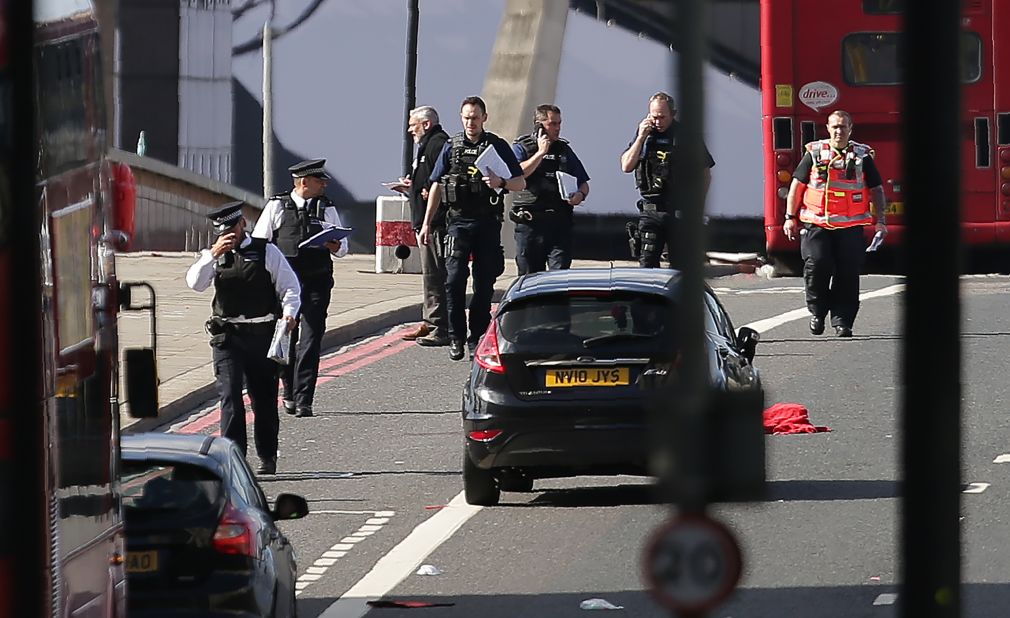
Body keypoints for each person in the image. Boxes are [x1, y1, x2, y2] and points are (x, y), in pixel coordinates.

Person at [186, 202, 301, 475]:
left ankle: (267, 456)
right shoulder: (212, 257)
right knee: (230, 398)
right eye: (223, 231)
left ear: (243, 225)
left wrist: (289, 315)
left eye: (233, 229)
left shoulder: (266, 251)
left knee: (263, 399)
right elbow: (195, 283)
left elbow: (290, 288)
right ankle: (233, 459)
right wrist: (212, 255)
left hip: (262, 335)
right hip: (228, 336)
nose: (230, 235)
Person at [419, 96, 525, 361]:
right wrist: (426, 224)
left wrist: (501, 181)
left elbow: (520, 183)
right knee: (453, 280)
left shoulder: (496, 146)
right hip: (457, 223)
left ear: (484, 118)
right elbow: (436, 186)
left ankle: (476, 335)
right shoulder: (451, 146)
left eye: (475, 117)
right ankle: (456, 335)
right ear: (461, 117)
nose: (471, 122)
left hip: (487, 223)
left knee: (484, 283)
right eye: (466, 117)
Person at [252, 159, 348, 417]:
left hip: (317, 280)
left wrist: (334, 245)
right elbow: (260, 243)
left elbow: (342, 248)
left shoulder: (326, 208)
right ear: (303, 182)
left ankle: (305, 398)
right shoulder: (277, 205)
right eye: (320, 181)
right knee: (286, 336)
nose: (325, 184)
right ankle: (289, 391)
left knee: (311, 338)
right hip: (285, 284)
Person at [784, 110, 888, 338]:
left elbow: (877, 190)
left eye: (843, 127)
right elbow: (796, 187)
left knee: (848, 272)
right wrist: (790, 218)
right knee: (817, 264)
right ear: (828, 128)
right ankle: (818, 312)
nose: (839, 131)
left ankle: (843, 321)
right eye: (835, 127)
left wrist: (881, 220)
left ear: (850, 129)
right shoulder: (814, 153)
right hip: (816, 222)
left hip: (850, 226)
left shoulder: (862, 156)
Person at [620, 92, 715, 268]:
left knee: (680, 267)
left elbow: (705, 174)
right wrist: (640, 137)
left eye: (662, 117)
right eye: (654, 117)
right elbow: (626, 166)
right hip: (650, 210)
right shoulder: (645, 135)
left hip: (679, 210)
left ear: (673, 114)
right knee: (647, 265)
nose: (658, 122)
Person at [391, 106, 451, 346]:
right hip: (424, 221)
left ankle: (439, 327)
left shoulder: (438, 144)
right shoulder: (426, 146)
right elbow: (427, 182)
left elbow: (440, 181)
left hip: (434, 223)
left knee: (434, 275)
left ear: (426, 124)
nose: (409, 129)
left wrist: (427, 218)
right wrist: (412, 186)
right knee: (429, 275)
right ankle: (430, 320)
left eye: (412, 124)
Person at [510, 104, 591, 275]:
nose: (557, 128)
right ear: (539, 125)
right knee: (528, 278)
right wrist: (540, 153)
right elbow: (517, 174)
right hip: (530, 224)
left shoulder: (564, 150)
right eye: (552, 124)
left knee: (559, 277)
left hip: (558, 223)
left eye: (559, 123)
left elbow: (583, 183)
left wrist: (580, 195)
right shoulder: (522, 147)